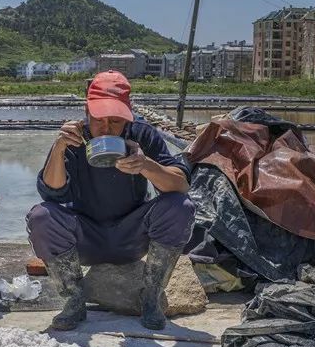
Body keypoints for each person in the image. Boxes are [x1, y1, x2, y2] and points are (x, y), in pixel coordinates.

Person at [27, 70, 195, 331]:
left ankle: (150, 297)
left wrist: (146, 166)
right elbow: (51, 193)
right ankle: (74, 299)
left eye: (115, 122)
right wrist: (60, 148)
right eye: (98, 119)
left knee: (179, 207)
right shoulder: (73, 138)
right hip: (86, 238)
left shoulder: (142, 134)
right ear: (86, 110)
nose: (106, 129)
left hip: (131, 237)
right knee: (41, 216)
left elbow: (181, 185)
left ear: (128, 115)